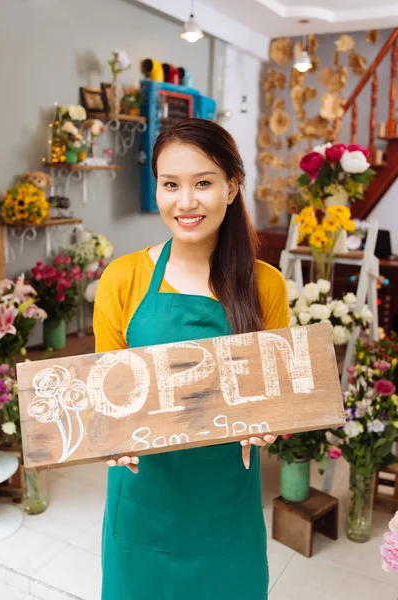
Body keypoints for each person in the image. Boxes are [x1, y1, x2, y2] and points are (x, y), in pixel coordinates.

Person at [93, 118, 290, 600]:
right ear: (156, 188)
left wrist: (271, 419)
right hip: (143, 502)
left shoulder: (265, 285)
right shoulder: (123, 279)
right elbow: (104, 394)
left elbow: (281, 393)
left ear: (232, 186)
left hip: (225, 506)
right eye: (170, 185)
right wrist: (108, 437)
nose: (185, 202)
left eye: (203, 183)